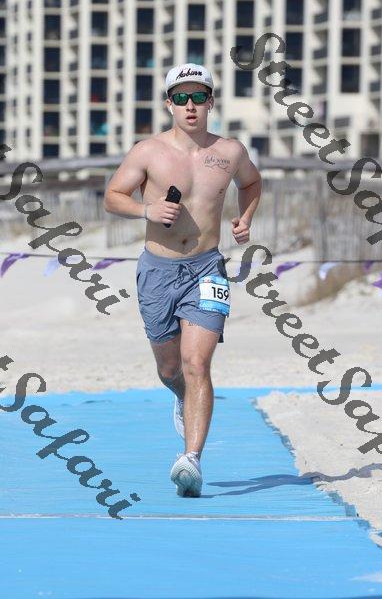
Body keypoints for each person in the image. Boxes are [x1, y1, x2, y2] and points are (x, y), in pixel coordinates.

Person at [104, 63, 262, 497]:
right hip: (158, 271)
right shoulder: (147, 151)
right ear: (168, 104)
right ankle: (179, 394)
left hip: (207, 269)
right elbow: (113, 197)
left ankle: (191, 459)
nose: (190, 106)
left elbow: (251, 183)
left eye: (198, 97)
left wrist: (245, 217)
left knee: (197, 364)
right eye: (180, 97)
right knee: (171, 368)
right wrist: (147, 210)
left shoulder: (230, 152)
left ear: (211, 102)